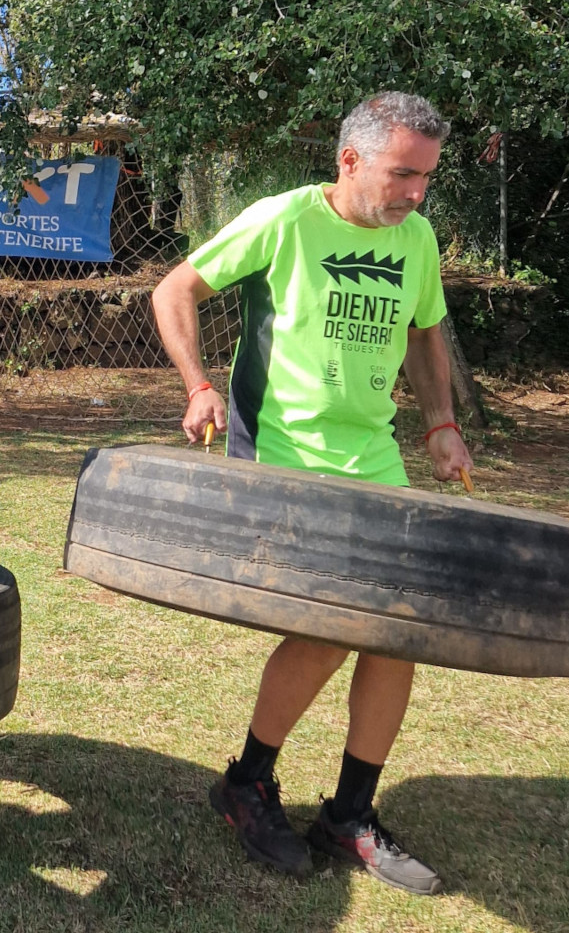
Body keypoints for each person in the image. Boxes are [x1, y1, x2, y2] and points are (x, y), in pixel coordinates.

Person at [151, 92, 472, 895]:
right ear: (349, 160)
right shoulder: (284, 220)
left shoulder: (416, 238)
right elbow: (174, 291)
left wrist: (440, 423)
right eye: (402, 175)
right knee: (334, 626)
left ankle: (349, 815)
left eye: (426, 178)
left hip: (373, 455)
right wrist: (197, 386)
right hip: (284, 452)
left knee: (398, 631)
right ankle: (247, 782)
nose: (415, 194)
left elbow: (424, 330)